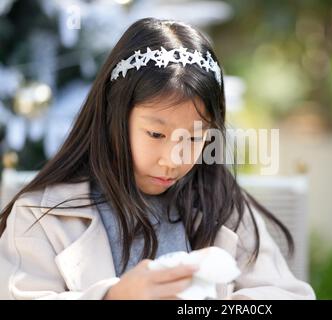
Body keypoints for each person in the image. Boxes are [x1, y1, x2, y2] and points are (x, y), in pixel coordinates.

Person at [0, 17, 315, 300]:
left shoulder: (221, 203)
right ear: (115, 118)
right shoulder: (42, 214)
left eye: (193, 138)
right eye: (155, 135)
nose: (172, 160)